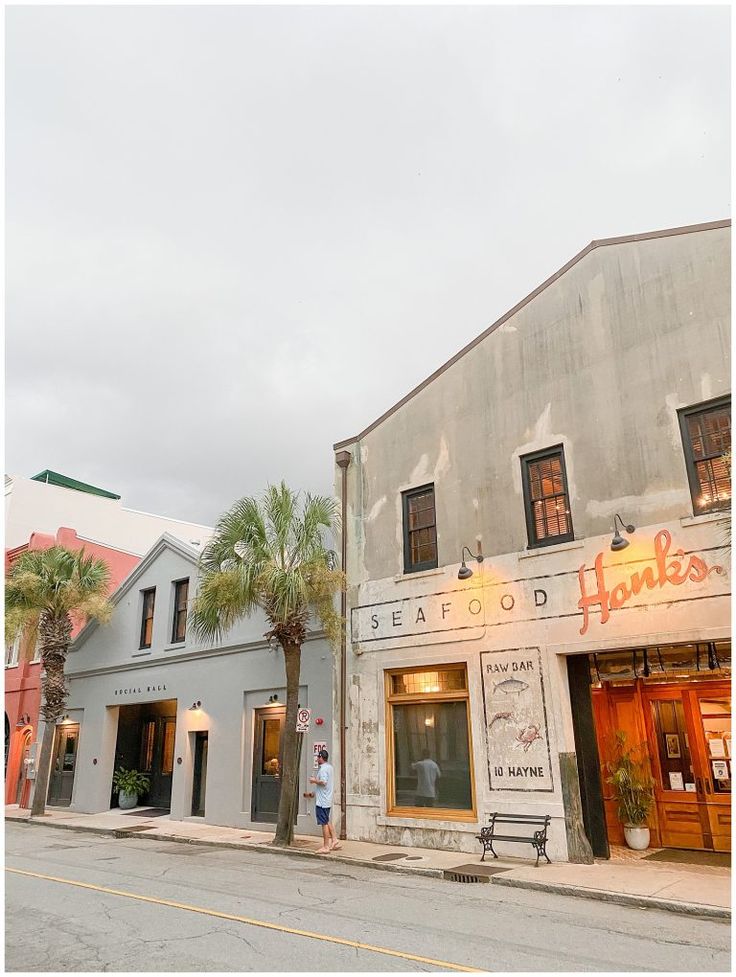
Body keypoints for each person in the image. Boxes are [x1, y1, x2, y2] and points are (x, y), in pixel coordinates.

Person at [309, 748, 341, 852]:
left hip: (322, 801)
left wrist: (314, 781)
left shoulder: (323, 769)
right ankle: (334, 839)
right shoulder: (330, 767)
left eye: (318, 757)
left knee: (324, 823)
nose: (317, 759)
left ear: (321, 758)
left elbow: (323, 782)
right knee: (327, 820)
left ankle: (326, 846)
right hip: (327, 798)